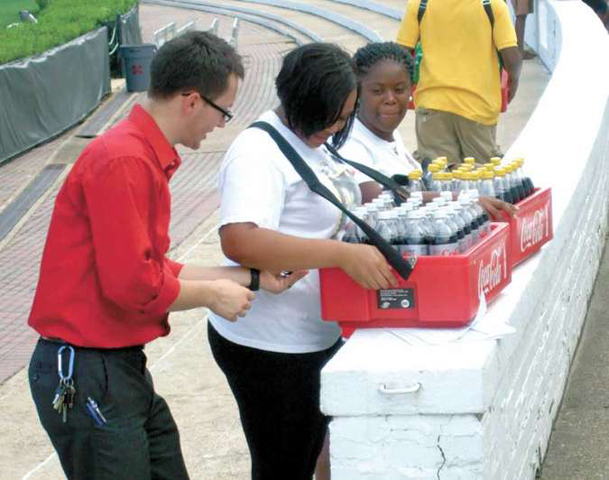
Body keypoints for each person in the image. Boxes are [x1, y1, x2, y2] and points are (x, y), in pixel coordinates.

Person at [27, 31, 300, 480]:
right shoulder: (125, 160)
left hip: (114, 368)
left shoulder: (138, 154)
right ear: (192, 100)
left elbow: (149, 267)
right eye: (223, 110)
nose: (222, 123)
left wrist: (248, 278)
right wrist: (213, 295)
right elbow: (134, 285)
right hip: (89, 367)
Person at [208, 42, 398, 480]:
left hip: (313, 335)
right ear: (305, 104)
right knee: (283, 465)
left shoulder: (309, 136)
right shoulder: (257, 153)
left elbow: (348, 190)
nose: (339, 125)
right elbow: (240, 239)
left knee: (308, 453)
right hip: (270, 345)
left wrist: (433, 197)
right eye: (334, 116)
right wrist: (340, 255)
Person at [340, 41, 517, 217]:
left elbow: (418, 182)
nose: (390, 99)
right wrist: (461, 199)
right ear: (357, 93)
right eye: (377, 91)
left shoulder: (389, 134)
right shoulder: (351, 143)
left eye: (399, 90)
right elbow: (375, 198)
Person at [396, 0, 523, 167]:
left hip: (432, 106)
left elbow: (400, 54)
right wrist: (513, 83)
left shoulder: (421, 4)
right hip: (477, 107)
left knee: (440, 181)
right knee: (482, 180)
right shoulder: (492, 4)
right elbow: (511, 58)